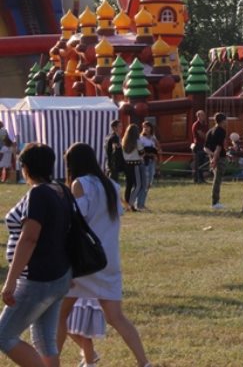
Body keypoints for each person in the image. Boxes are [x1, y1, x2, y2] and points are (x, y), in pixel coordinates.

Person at [57, 142, 151, 367]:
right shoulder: (111, 185)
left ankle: (51, 361)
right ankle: (144, 363)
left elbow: (76, 220)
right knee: (116, 317)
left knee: (59, 316)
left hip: (84, 261)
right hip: (107, 259)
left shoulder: (80, 184)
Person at [0, 143, 72, 366]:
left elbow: (29, 238)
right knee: (44, 340)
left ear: (26, 167)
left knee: (3, 336)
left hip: (39, 278)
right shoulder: (60, 190)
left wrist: (10, 282)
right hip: (59, 274)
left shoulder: (38, 194)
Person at [66, 299, 105, 367]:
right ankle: (91, 354)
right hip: (74, 297)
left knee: (84, 332)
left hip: (84, 298)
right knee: (64, 325)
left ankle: (90, 363)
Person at [135, 122, 160, 211]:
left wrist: (156, 145)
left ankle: (142, 203)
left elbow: (158, 148)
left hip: (152, 162)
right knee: (144, 183)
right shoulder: (141, 138)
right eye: (144, 127)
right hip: (144, 162)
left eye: (147, 127)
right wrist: (150, 153)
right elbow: (141, 151)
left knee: (149, 183)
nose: (145, 129)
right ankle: (139, 204)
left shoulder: (153, 138)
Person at [205, 113, 228, 210]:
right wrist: (215, 159)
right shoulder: (221, 131)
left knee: (216, 179)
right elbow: (219, 147)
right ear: (222, 121)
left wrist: (211, 156)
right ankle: (215, 202)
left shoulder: (210, 131)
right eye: (225, 120)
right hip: (219, 158)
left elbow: (205, 147)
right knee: (217, 180)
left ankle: (216, 201)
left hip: (213, 157)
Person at [120, 124, 143, 212]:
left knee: (129, 185)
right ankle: (130, 204)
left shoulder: (123, 141)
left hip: (126, 165)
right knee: (138, 185)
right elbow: (142, 153)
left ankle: (126, 205)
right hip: (135, 164)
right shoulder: (137, 142)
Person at [191, 110, 208, 184]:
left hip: (203, 145)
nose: (204, 116)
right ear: (198, 116)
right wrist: (208, 137)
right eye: (202, 115)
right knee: (197, 163)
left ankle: (201, 178)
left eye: (204, 115)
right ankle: (196, 179)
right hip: (198, 145)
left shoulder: (204, 124)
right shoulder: (196, 125)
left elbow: (207, 133)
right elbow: (202, 135)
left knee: (202, 163)